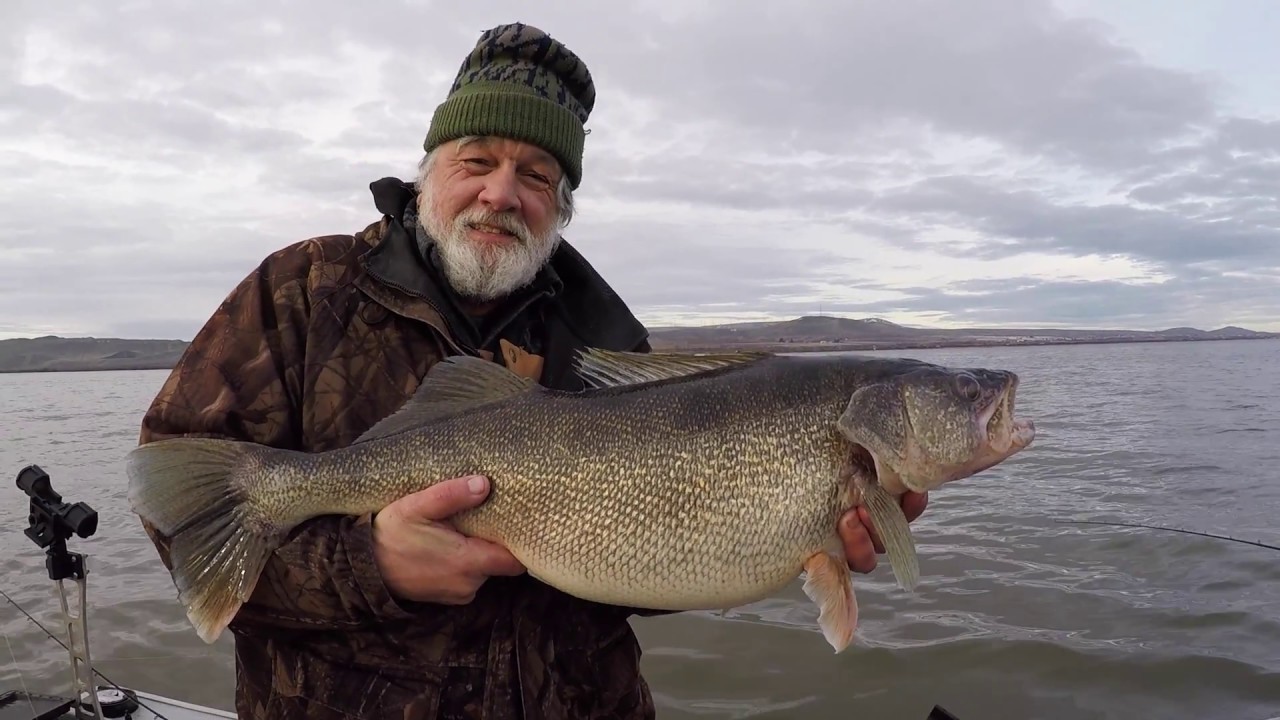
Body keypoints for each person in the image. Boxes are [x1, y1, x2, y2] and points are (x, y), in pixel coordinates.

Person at [134, 21, 929, 720]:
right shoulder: (301, 292)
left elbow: (639, 573)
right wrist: (370, 567)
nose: (501, 193)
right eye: (477, 160)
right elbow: (182, 516)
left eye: (538, 175)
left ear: (562, 204)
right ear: (429, 172)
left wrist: (794, 532)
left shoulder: (606, 341)